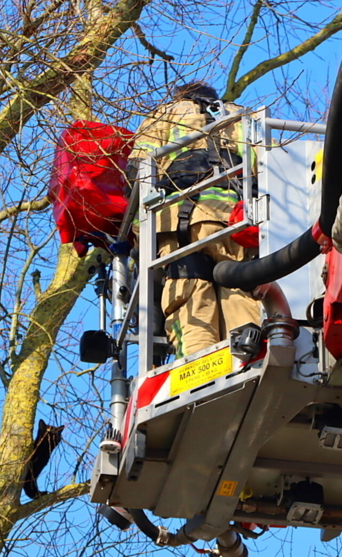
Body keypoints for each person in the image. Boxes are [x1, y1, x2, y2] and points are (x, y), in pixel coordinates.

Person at [130, 82, 260, 359]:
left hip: (180, 220)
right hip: (236, 218)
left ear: (180, 95)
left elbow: (139, 171)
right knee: (239, 286)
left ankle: (197, 366)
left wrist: (139, 235)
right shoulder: (243, 116)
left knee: (190, 292)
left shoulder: (163, 115)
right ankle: (249, 355)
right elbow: (272, 165)